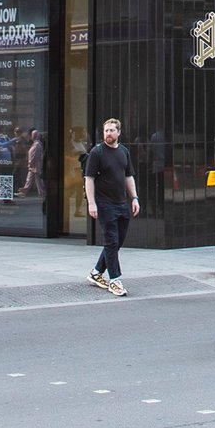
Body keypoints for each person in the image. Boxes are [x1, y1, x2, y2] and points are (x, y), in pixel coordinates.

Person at [83, 118, 139, 296]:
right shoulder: (96, 152)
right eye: (106, 131)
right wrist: (92, 203)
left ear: (119, 132)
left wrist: (134, 198)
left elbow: (128, 176)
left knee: (117, 242)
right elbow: (89, 179)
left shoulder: (124, 152)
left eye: (112, 130)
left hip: (122, 203)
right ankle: (115, 280)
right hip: (104, 203)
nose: (108, 134)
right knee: (111, 240)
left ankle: (96, 272)